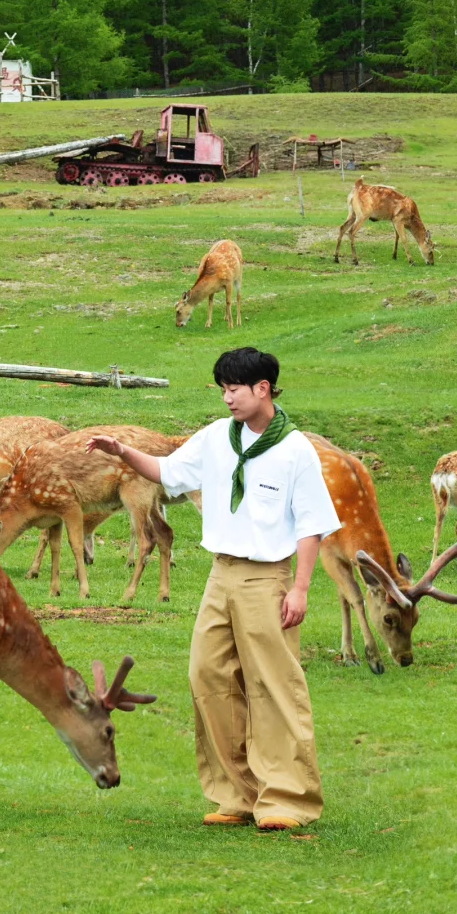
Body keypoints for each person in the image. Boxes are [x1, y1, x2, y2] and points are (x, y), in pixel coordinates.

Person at [87, 347, 340, 831]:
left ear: (262, 389)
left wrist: (301, 588)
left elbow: (313, 525)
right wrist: (123, 452)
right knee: (208, 675)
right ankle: (236, 794)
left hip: (268, 579)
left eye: (234, 389)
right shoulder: (216, 439)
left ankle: (285, 799)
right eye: (223, 389)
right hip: (220, 575)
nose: (227, 398)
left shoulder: (294, 451)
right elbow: (168, 472)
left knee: (271, 685)